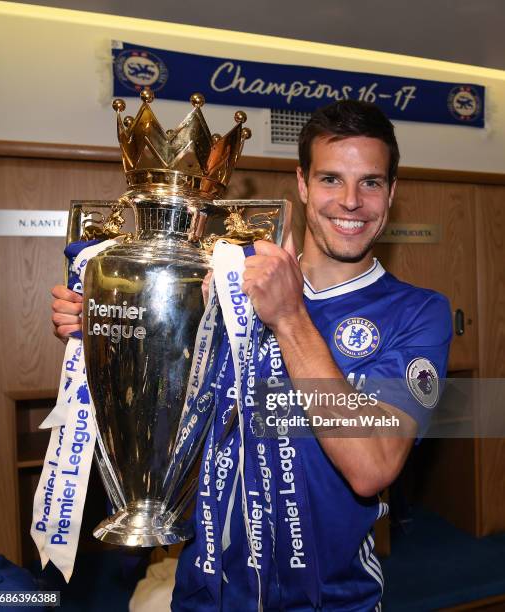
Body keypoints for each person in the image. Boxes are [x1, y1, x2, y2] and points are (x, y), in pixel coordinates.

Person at [52, 100, 452, 611]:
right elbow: (172, 418)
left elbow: (372, 464)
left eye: (370, 182)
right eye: (331, 179)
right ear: (303, 184)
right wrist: (116, 333)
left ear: (391, 194)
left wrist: (289, 317)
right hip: (205, 595)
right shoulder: (224, 284)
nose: (351, 201)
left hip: (332, 601)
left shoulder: (418, 312)